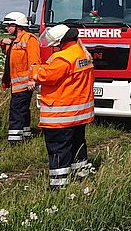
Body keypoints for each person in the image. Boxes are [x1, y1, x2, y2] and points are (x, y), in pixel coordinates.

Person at [30, 24, 94, 189]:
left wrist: (35, 70)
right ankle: (81, 177)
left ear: (59, 40)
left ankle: (58, 186)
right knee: (78, 145)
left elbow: (47, 76)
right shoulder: (80, 53)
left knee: (58, 149)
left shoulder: (63, 58)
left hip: (61, 115)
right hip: (78, 114)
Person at [0, 12, 41, 145]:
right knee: (22, 110)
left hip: (24, 84)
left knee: (16, 111)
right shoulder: (16, 41)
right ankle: (25, 134)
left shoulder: (30, 39)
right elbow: (10, 55)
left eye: (8, 26)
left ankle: (15, 140)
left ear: (17, 25)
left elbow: (35, 61)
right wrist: (3, 43)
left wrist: (32, 80)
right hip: (17, 84)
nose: (6, 28)